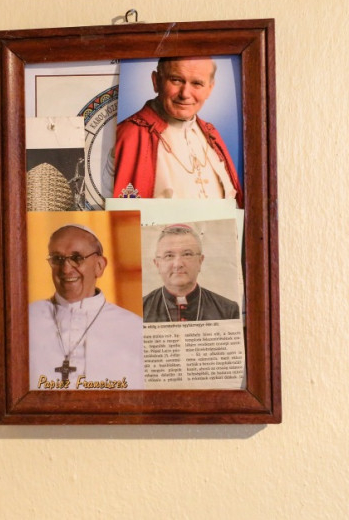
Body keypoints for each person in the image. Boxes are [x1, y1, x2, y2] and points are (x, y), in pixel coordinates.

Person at [113, 56, 244, 207]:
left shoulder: (212, 134)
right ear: (156, 81)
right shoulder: (127, 135)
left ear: (210, 89)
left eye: (197, 83)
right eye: (176, 80)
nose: (185, 94)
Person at [29, 224, 145, 389]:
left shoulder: (136, 329)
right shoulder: (26, 320)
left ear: (99, 266)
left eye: (77, 258)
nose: (66, 269)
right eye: (57, 259)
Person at [143, 224, 240, 323]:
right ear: (157, 264)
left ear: (200, 261)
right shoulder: (140, 309)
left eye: (187, 254)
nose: (178, 264)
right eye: (169, 256)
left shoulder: (228, 310)